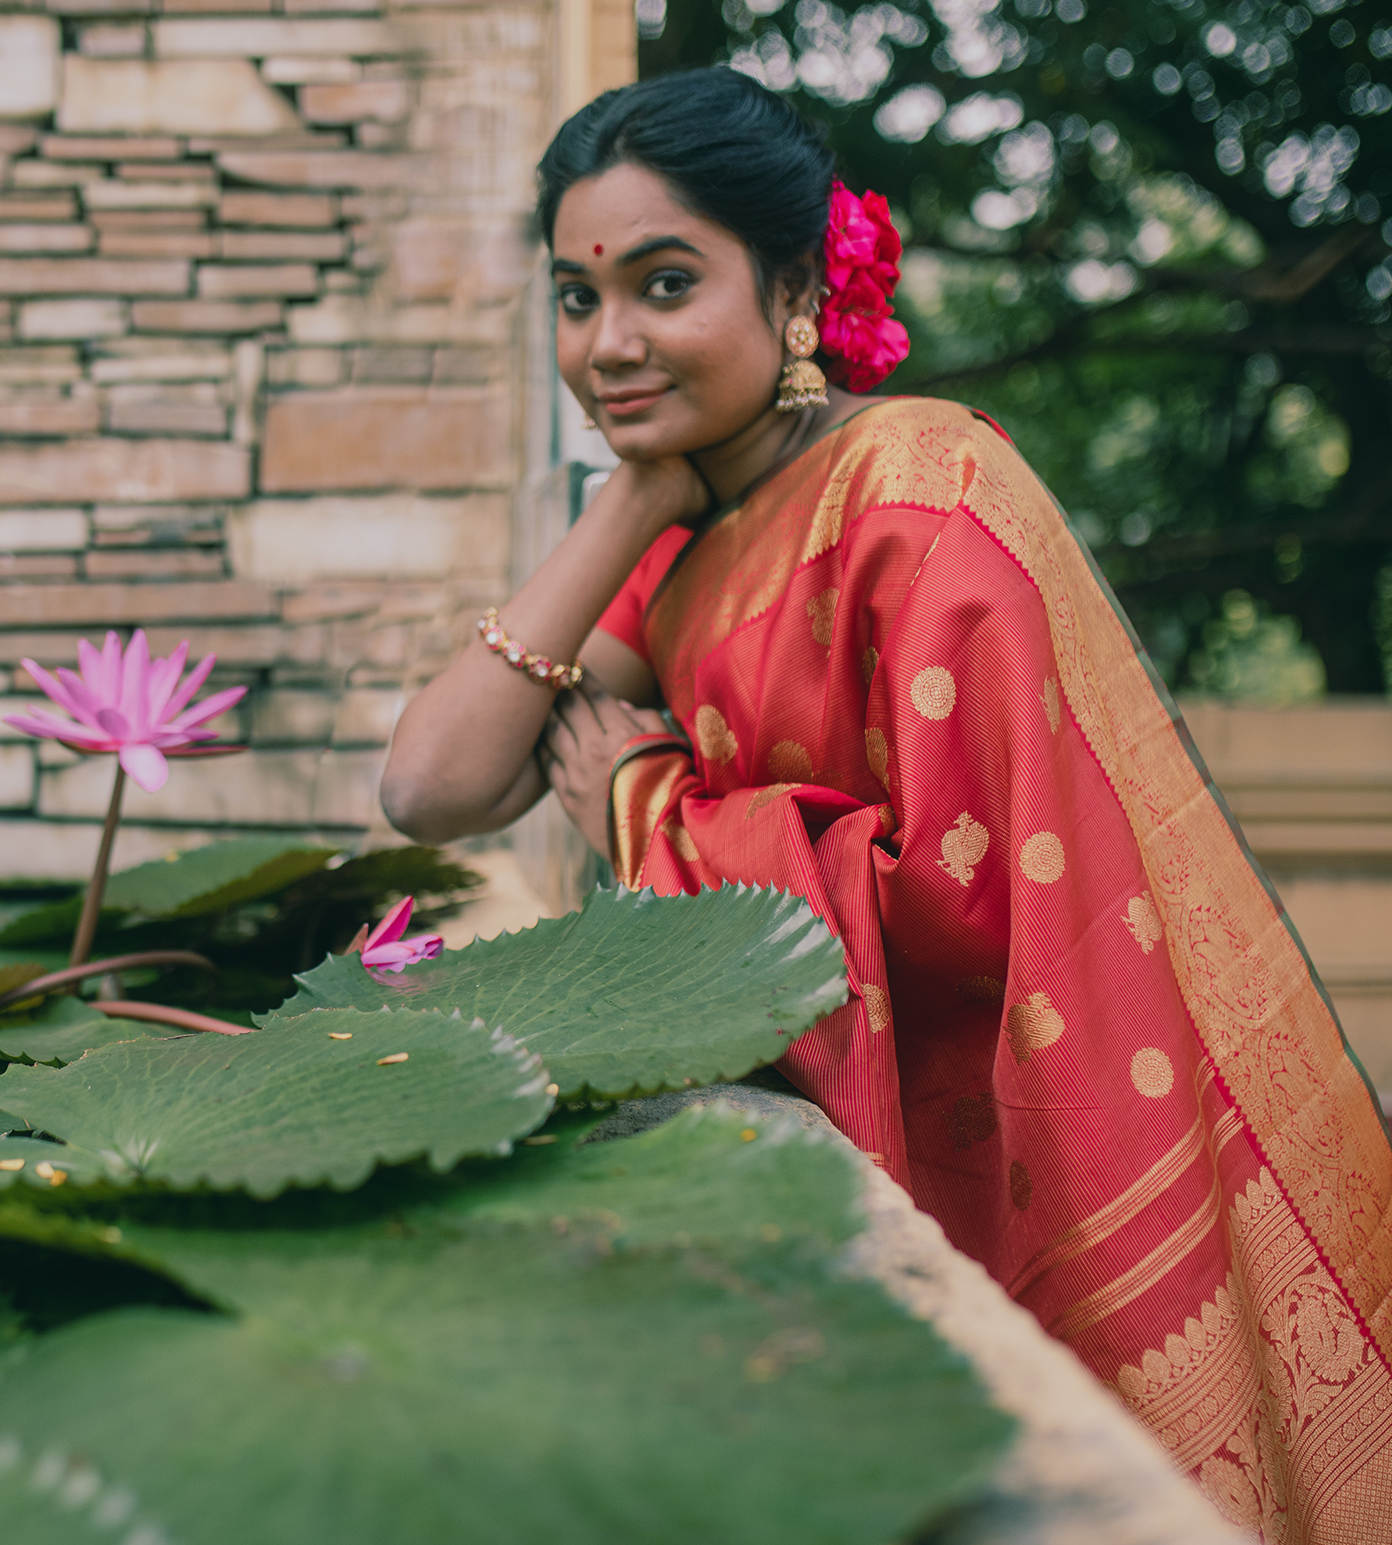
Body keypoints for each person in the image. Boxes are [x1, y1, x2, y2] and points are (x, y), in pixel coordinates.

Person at [381, 66, 1392, 1541]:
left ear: (796, 291)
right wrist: (624, 509)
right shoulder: (688, 545)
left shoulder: (920, 489)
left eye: (666, 284)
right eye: (578, 299)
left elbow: (969, 905)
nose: (611, 344)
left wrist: (647, 802)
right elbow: (432, 783)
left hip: (1022, 1146)